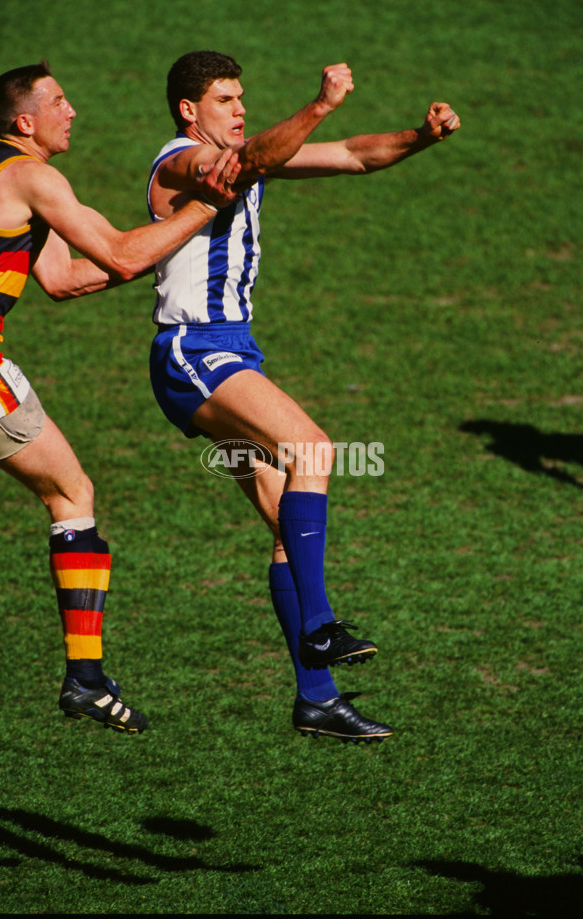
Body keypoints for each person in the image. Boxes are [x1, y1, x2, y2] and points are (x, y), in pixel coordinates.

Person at [147, 51, 461, 743]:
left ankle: (316, 699)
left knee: (287, 529)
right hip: (196, 350)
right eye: (225, 100)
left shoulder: (248, 158)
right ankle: (320, 626)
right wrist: (317, 105)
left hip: (226, 349)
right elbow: (244, 160)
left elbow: (352, 156)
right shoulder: (182, 161)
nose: (240, 109)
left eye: (241, 98)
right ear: (189, 112)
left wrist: (419, 137)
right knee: (312, 450)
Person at [0, 60, 241, 734]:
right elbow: (121, 257)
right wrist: (205, 208)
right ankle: (84, 677)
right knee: (71, 497)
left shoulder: (7, 181)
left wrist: (167, 245)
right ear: (26, 122)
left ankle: (89, 679)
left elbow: (67, 279)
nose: (72, 111)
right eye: (59, 102)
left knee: (72, 490)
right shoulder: (32, 175)